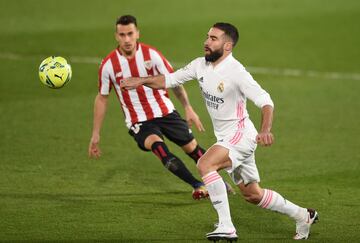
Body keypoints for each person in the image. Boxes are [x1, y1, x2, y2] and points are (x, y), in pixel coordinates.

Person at [120, 22, 319, 241]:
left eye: (213, 39)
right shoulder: (200, 65)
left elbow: (266, 101)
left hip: (241, 135)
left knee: (205, 163)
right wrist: (141, 81)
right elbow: (169, 79)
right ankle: (303, 215)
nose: (206, 42)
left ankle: (227, 227)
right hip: (227, 138)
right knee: (253, 195)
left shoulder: (237, 72)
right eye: (207, 37)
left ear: (227, 46)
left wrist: (265, 130)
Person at [88, 15, 213, 199]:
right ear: (116, 36)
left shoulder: (152, 55)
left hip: (165, 111)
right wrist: (96, 133)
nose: (127, 39)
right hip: (139, 121)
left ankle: (218, 183)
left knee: (194, 150)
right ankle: (197, 184)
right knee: (160, 149)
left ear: (137, 33)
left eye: (130, 34)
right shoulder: (108, 65)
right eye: (122, 35)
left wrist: (187, 107)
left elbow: (174, 81)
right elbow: (102, 98)